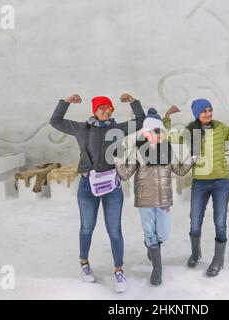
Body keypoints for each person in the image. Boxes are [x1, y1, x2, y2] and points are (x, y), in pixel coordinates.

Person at [49, 93, 145, 292]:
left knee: (115, 230)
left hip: (112, 187)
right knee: (87, 227)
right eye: (101, 107)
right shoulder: (82, 129)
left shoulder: (117, 128)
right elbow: (55, 121)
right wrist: (65, 102)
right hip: (87, 187)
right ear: (94, 110)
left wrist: (133, 102)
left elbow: (141, 121)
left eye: (109, 107)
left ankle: (119, 270)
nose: (106, 110)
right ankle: (84, 264)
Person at [163, 99, 229, 276]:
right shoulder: (190, 132)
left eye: (210, 110)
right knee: (195, 221)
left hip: (221, 182)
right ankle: (196, 253)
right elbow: (167, 136)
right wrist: (166, 117)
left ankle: (218, 259)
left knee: (220, 222)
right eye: (203, 111)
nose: (207, 114)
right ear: (197, 114)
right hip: (200, 182)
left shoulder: (221, 128)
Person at [115, 108, 194, 286]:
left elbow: (180, 170)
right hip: (145, 199)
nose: (159, 134)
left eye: (161, 131)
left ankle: (152, 248)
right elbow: (126, 174)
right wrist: (118, 159)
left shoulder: (167, 149)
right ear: (147, 133)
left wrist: (191, 158)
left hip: (164, 198)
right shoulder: (139, 150)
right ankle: (157, 269)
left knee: (163, 234)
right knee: (151, 233)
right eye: (155, 131)